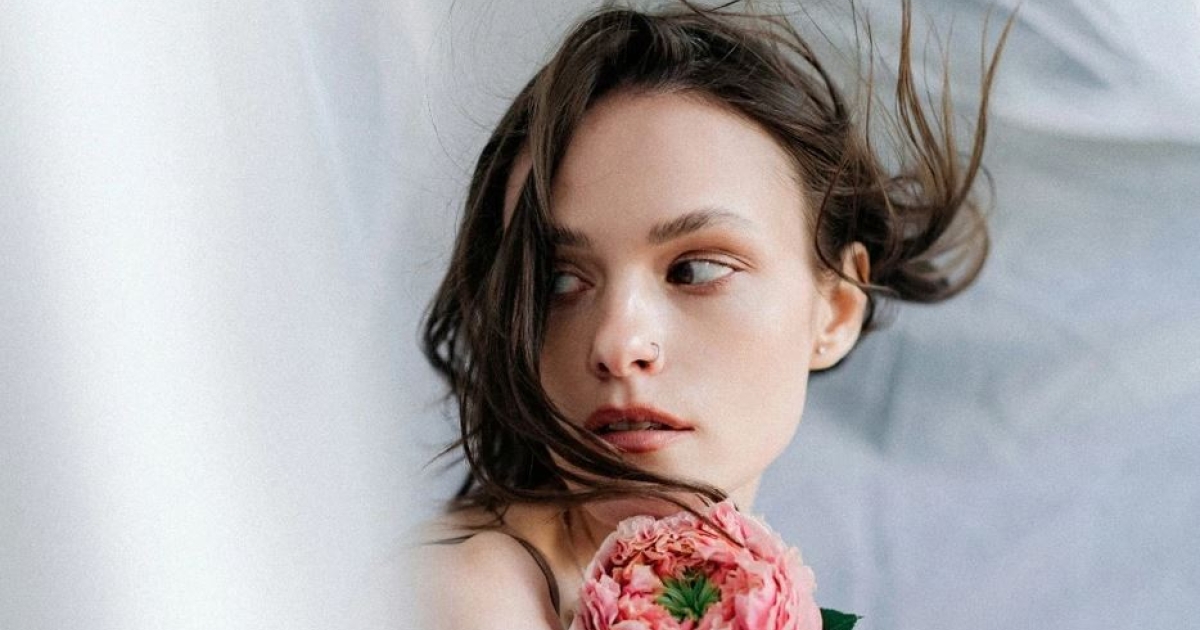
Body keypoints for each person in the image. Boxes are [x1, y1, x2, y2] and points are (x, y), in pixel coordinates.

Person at [413, 1, 1009, 627]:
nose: (619, 341)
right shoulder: (474, 597)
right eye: (558, 280)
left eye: (694, 270)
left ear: (834, 311)